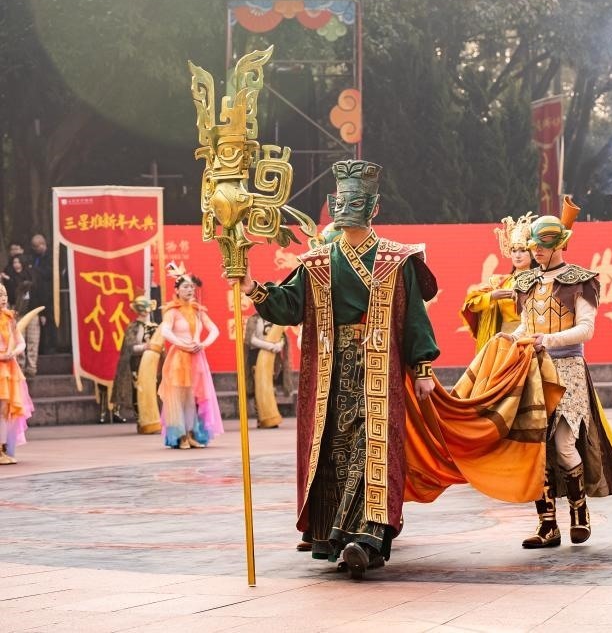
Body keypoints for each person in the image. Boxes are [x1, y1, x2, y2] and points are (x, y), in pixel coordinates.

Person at [239, 159, 441, 577]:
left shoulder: (398, 259)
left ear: (374, 207)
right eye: (342, 201)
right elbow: (289, 306)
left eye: (357, 201)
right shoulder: (317, 262)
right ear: (333, 204)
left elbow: (414, 318)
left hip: (380, 369)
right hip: (331, 372)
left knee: (373, 447)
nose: (347, 207)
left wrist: (422, 367)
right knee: (334, 450)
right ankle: (339, 536)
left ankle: (369, 538)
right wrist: (253, 288)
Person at [507, 208, 612, 549]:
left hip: (568, 371)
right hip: (533, 370)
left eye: (543, 245)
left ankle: (580, 514)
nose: (536, 251)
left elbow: (586, 329)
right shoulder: (525, 282)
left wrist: (547, 340)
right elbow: (525, 326)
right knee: (536, 450)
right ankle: (547, 524)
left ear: (560, 244)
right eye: (534, 246)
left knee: (564, 445)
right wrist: (510, 339)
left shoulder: (580, 280)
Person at [158, 268, 223, 449]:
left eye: (192, 287)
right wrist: (182, 344)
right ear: (177, 290)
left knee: (193, 398)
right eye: (185, 287)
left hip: (197, 358)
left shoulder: (197, 311)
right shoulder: (172, 311)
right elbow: (165, 331)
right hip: (179, 358)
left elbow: (215, 330)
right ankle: (181, 436)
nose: (189, 290)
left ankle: (193, 433)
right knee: (179, 398)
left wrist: (203, 344)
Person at [460, 212, 536, 352]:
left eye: (522, 250)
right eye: (514, 250)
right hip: (504, 342)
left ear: (532, 253)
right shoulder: (500, 282)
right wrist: (492, 296)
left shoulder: (540, 280)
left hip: (532, 339)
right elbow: (471, 305)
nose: (517, 255)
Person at [110, 296, 158, 426]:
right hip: (137, 364)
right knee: (138, 390)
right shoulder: (133, 327)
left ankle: (153, 418)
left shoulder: (154, 326)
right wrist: (144, 347)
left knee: (152, 390)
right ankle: (141, 419)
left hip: (152, 363)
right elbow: (130, 347)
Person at [0, 285, 33, 464]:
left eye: (5, 294)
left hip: (9, 369)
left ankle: (3, 447)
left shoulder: (9, 318)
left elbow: (21, 342)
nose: (3, 298)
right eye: (0, 295)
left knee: (6, 409)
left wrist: (13, 352)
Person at [243, 310, 293, 428]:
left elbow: (281, 336)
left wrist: (279, 345)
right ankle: (261, 417)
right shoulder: (253, 320)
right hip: (256, 355)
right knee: (259, 387)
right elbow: (251, 339)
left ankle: (271, 414)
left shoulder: (275, 318)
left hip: (273, 357)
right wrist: (269, 346)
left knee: (271, 386)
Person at [5, 255, 40, 379]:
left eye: (18, 262)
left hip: (33, 313)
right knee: (19, 341)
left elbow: (38, 295)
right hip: (17, 313)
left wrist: (42, 314)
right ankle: (20, 367)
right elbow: (9, 297)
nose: (16, 265)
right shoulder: (10, 278)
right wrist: (8, 280)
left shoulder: (31, 275)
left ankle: (32, 368)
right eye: (14, 262)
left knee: (33, 341)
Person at [28, 234, 55, 356]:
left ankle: (51, 346)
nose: (35, 249)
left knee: (49, 319)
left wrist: (34, 270)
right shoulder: (35, 257)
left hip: (48, 292)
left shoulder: (50, 256)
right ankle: (41, 346)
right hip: (37, 293)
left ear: (42, 244)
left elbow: (50, 272)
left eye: (36, 246)